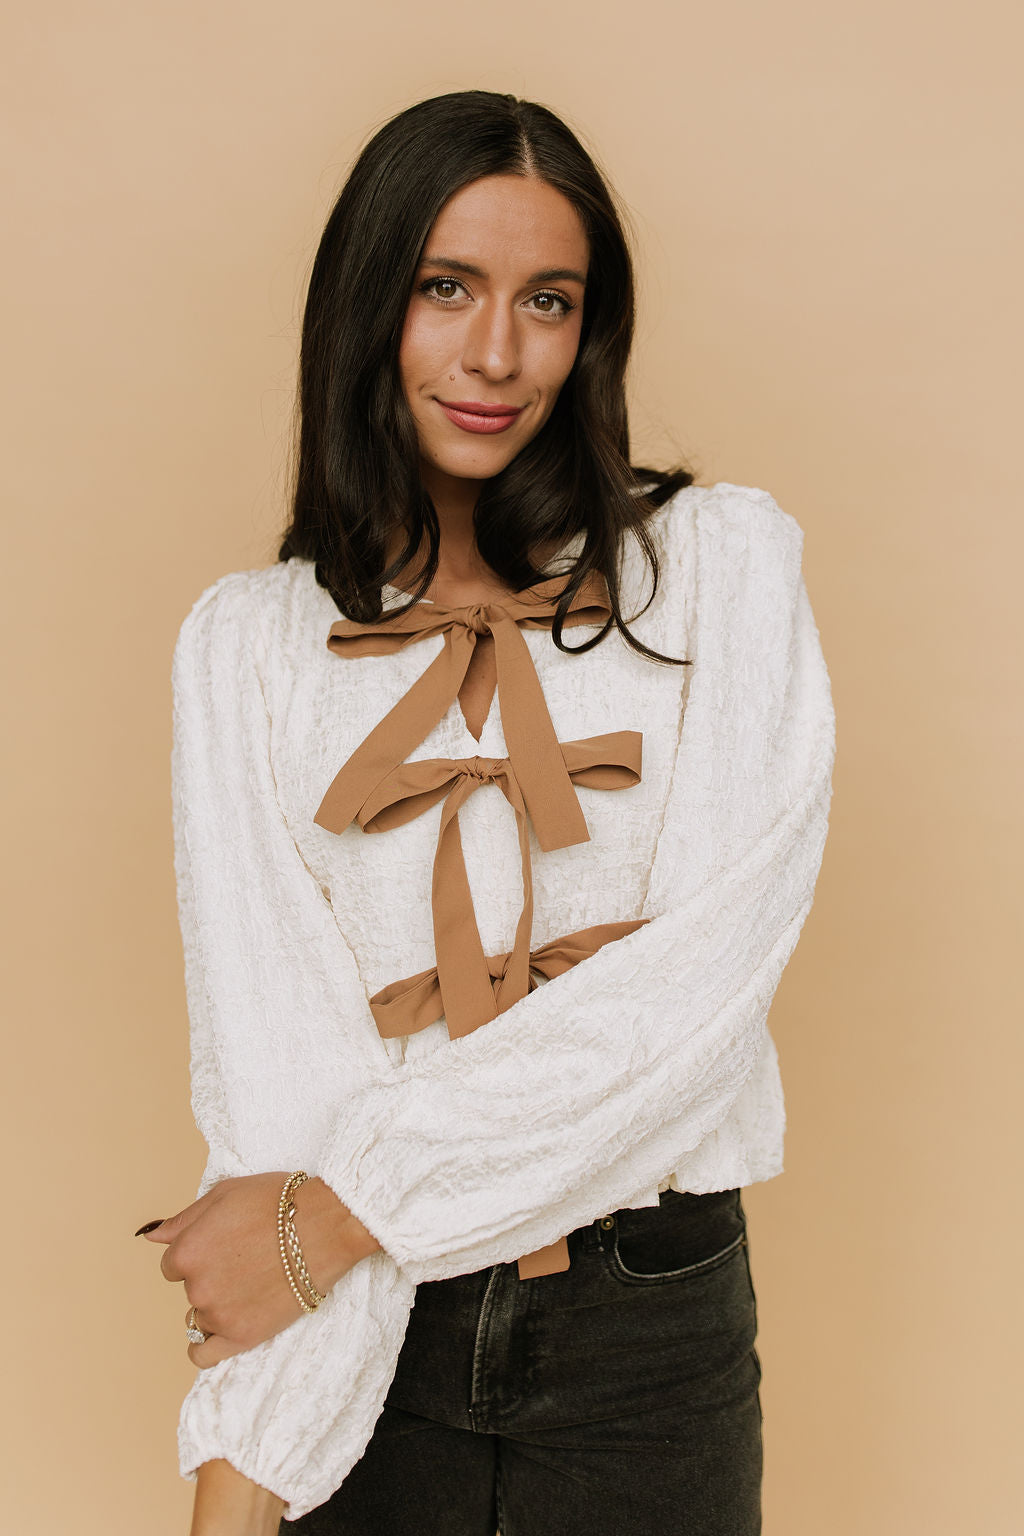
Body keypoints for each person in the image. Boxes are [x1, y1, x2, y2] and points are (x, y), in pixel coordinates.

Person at [138, 90, 835, 1535]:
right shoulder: (248, 647)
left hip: (646, 1330)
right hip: (364, 1331)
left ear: (593, 333)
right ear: (367, 306)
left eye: (549, 301)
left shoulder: (722, 573)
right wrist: (240, 1477)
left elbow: (692, 1004)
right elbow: (275, 1098)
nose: (498, 355)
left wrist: (343, 1210)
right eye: (445, 288)